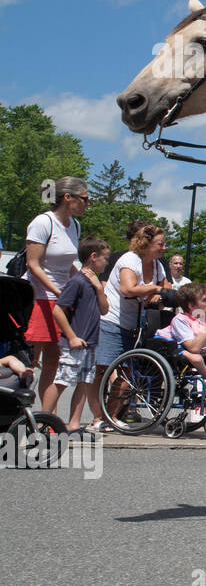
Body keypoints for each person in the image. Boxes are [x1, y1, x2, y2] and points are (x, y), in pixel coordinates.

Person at [23, 176, 87, 414]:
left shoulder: (74, 226)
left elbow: (69, 265)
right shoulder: (43, 222)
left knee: (53, 362)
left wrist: (83, 283)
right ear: (68, 197)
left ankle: (46, 419)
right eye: (85, 199)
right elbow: (33, 265)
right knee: (28, 360)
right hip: (38, 299)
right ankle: (17, 414)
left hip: (59, 300)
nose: (87, 204)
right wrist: (60, 291)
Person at [49, 237, 111, 434]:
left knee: (84, 382)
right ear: (93, 257)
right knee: (62, 381)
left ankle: (74, 423)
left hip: (90, 343)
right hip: (74, 342)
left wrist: (100, 288)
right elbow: (58, 310)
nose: (106, 263)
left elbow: (104, 310)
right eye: (105, 258)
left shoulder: (93, 283)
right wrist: (72, 336)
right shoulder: (77, 282)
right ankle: (42, 420)